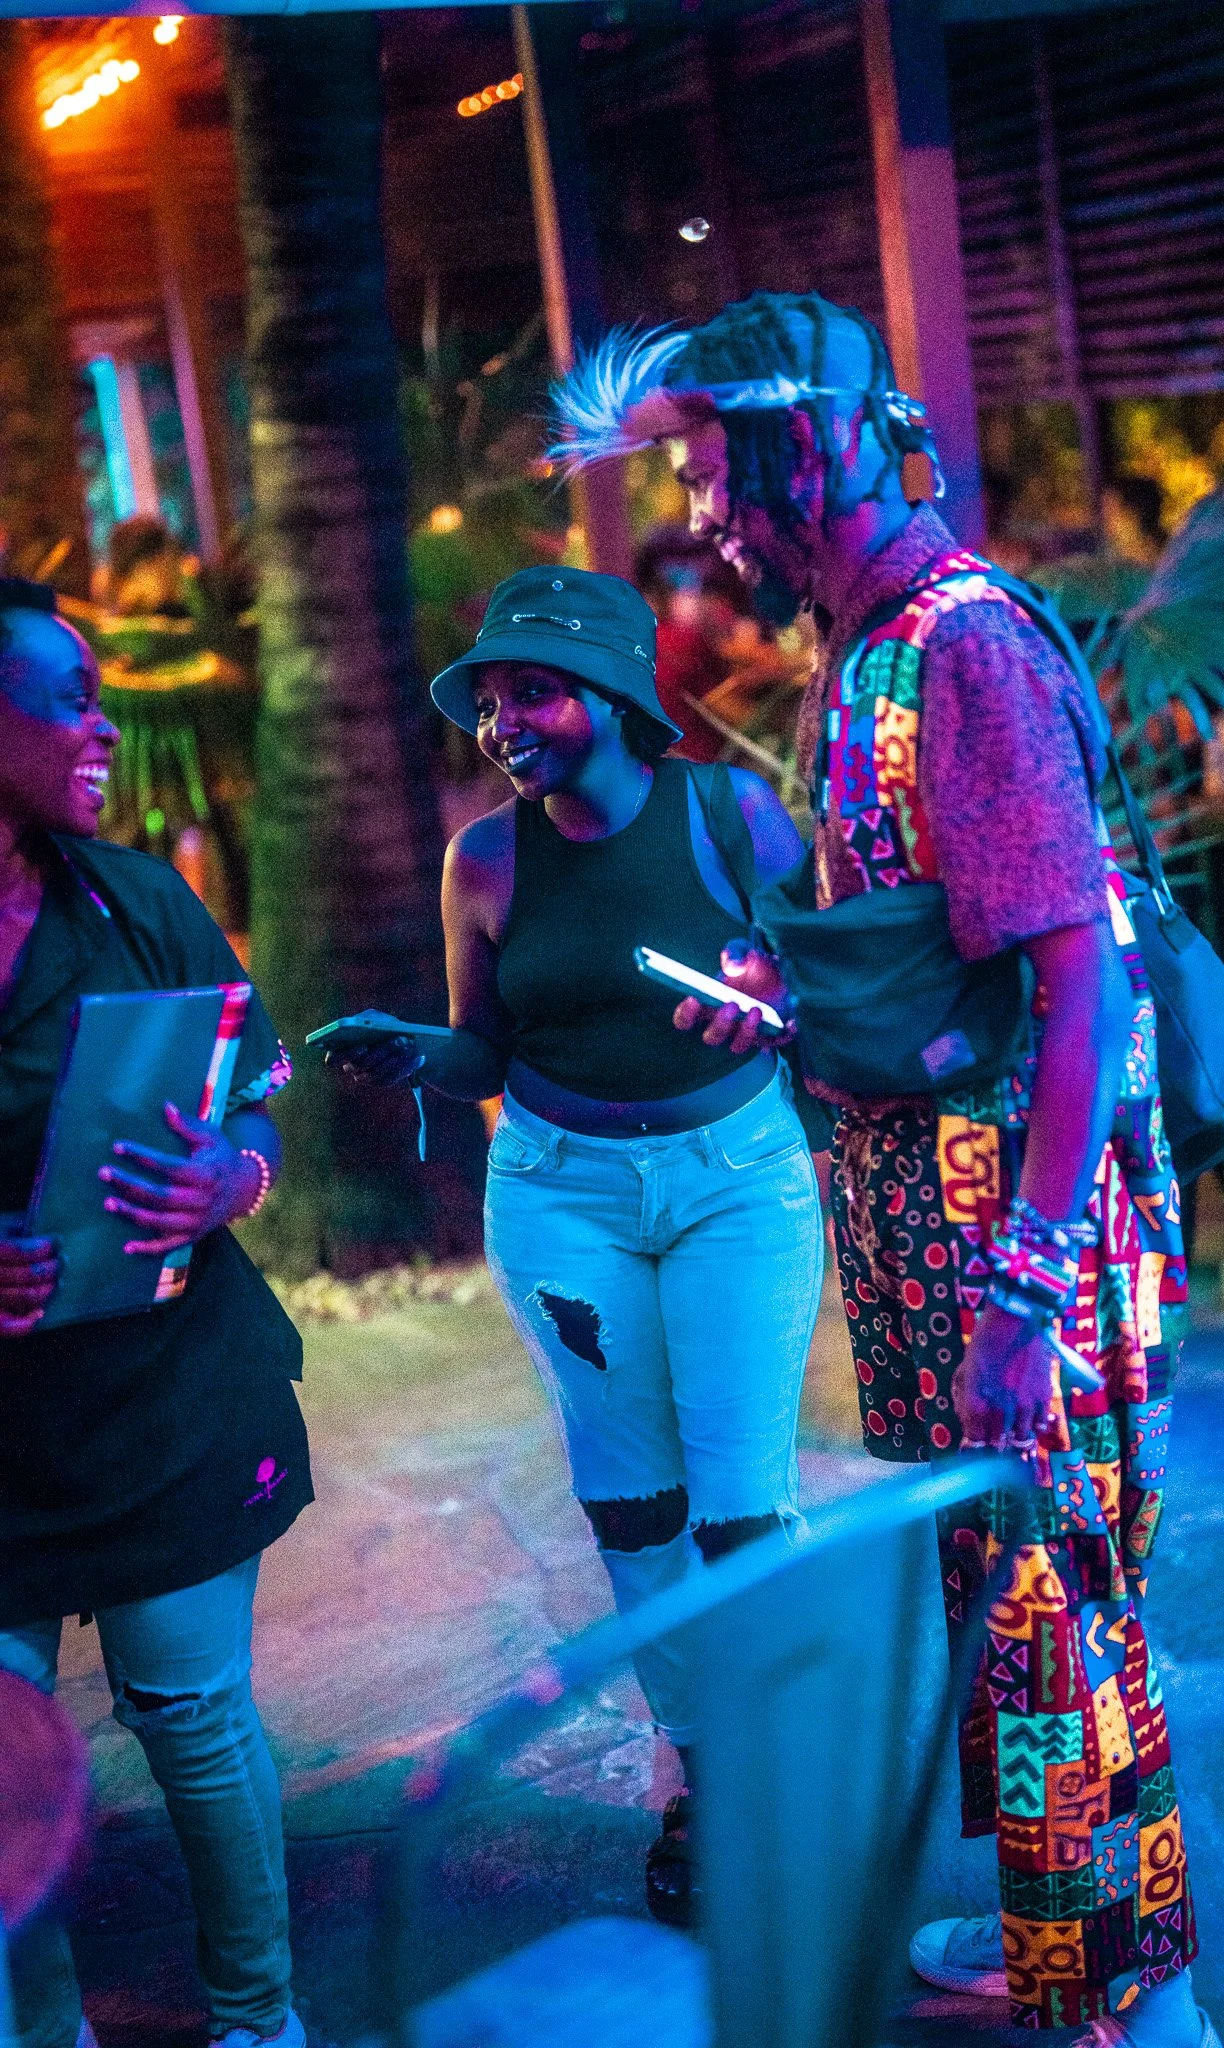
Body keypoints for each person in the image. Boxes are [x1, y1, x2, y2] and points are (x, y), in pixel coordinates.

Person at [549, 298, 1217, 2046]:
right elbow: (948, 951)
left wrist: (1022, 1288)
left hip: (1018, 1238)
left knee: (1060, 1617)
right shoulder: (873, 648)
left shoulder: (964, 643)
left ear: (817, 444)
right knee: (1006, 1608)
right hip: (945, 1226)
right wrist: (796, 992)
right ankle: (1059, 1943)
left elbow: (1079, 985)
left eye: (713, 468)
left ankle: (1127, 2000)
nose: (704, 514)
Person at [336, 564, 825, 1920]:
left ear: (612, 696)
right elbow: (483, 1042)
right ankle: (705, 1782)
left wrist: (779, 1003)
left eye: (534, 692)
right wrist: (415, 1057)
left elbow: (824, 989)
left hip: (735, 1179)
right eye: (491, 701)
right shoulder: (483, 857)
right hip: (559, 1191)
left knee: (740, 1508)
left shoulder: (731, 817)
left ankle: (780, 1762)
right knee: (632, 1502)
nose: (504, 723)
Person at [0, 579, 311, 2048]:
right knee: (5, 1781)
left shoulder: (137, 903)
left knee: (193, 1720)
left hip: (165, 1406)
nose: (102, 725)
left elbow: (261, 1081)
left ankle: (263, 2024)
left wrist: (232, 1170)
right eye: (68, 696)